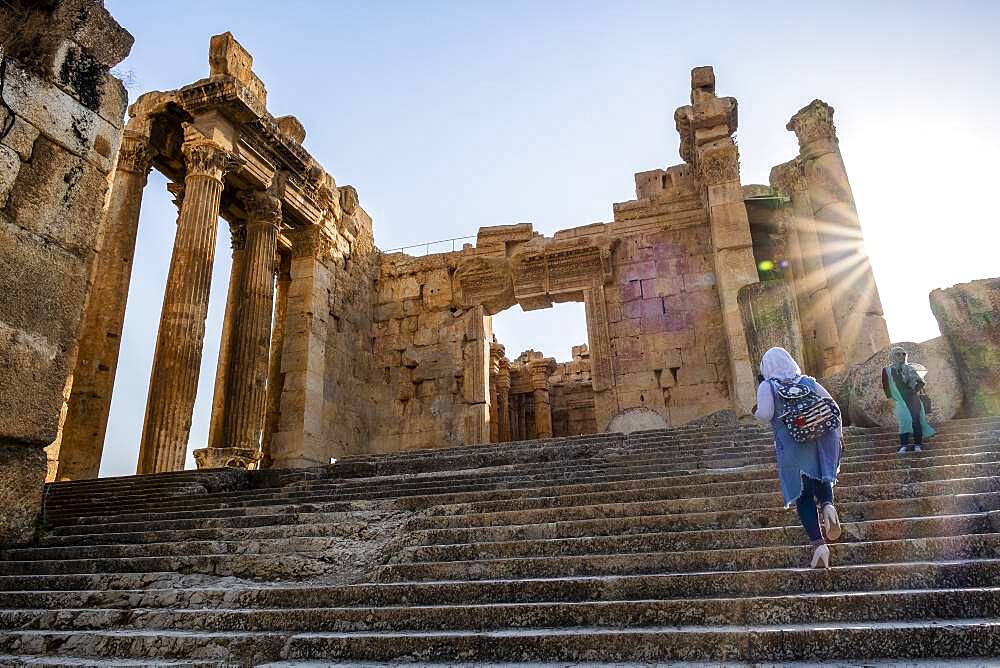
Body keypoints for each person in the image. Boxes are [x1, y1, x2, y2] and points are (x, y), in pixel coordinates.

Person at [754, 347, 843, 569]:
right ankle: (828, 506)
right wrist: (839, 437)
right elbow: (834, 408)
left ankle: (819, 545)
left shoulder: (768, 386)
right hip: (821, 438)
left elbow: (764, 414)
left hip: (794, 443)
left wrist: (755, 411)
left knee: (803, 496)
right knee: (820, 474)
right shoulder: (808, 382)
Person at [882, 346, 934, 454]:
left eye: (903, 354)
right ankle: (904, 445)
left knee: (916, 420)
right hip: (899, 399)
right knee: (904, 420)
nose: (901, 356)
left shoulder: (910, 368)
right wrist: (890, 398)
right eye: (898, 354)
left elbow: (921, 382)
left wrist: (914, 390)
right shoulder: (887, 370)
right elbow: (886, 385)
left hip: (913, 399)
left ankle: (918, 444)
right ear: (892, 356)